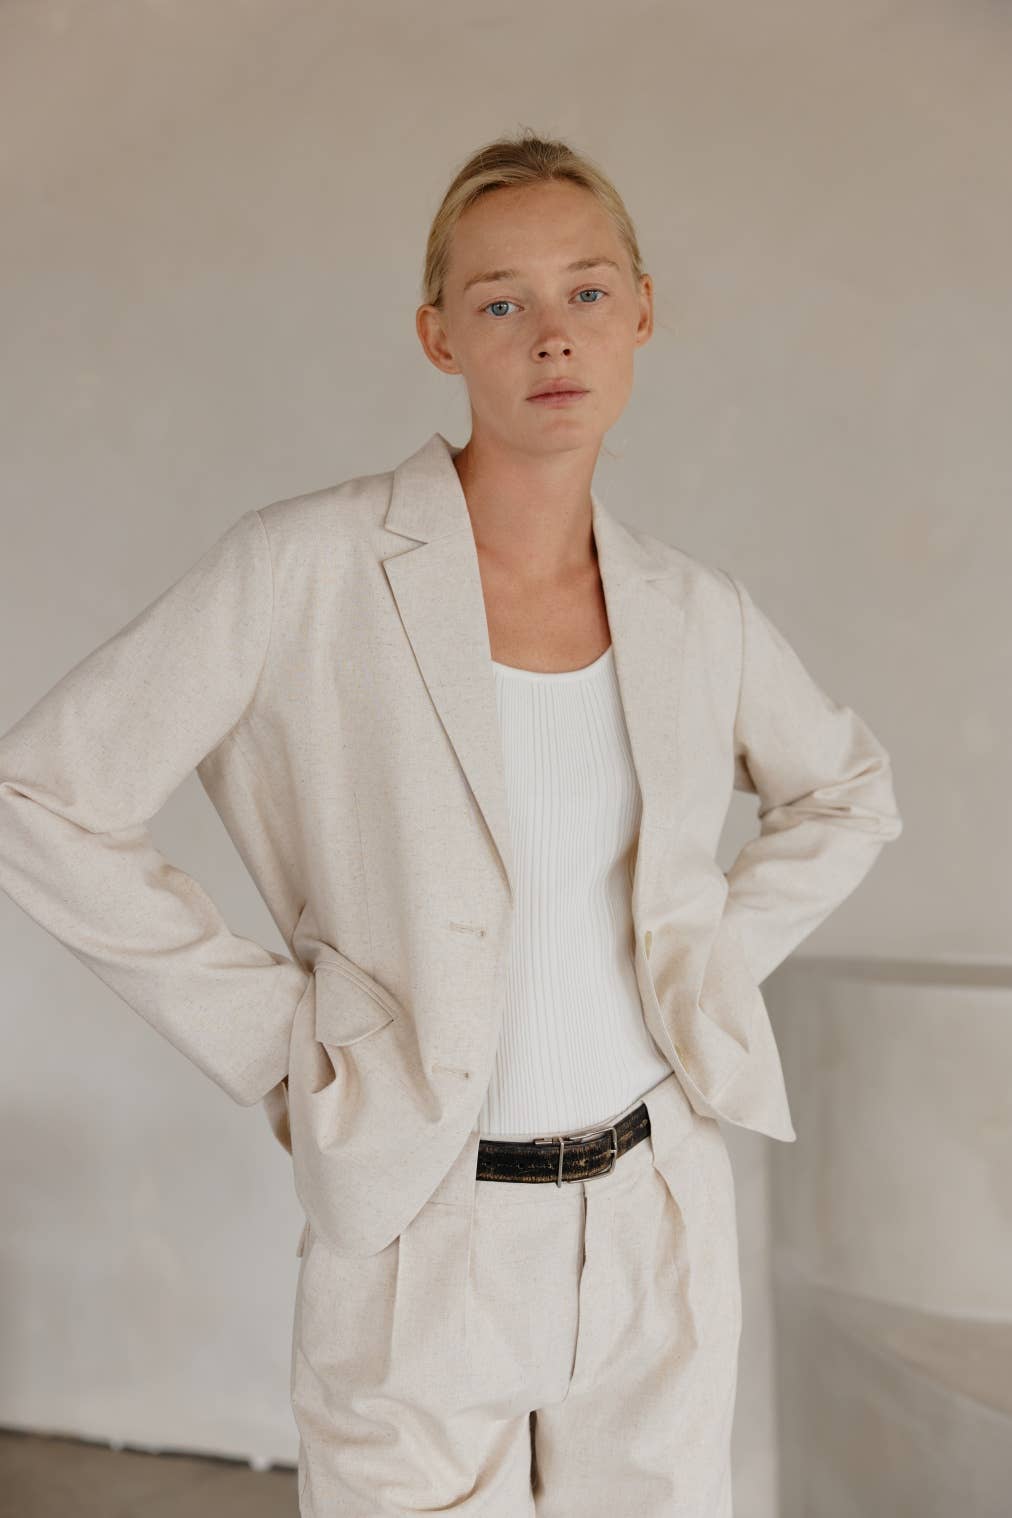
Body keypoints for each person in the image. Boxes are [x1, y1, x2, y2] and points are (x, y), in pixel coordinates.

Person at [0, 130, 902, 1515]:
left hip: (653, 1215)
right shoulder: (306, 566)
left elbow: (846, 789)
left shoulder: (690, 610)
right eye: (501, 301)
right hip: (420, 1219)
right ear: (440, 336)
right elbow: (43, 796)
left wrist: (705, 959)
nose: (553, 334)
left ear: (643, 313)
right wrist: (282, 1040)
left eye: (587, 291)